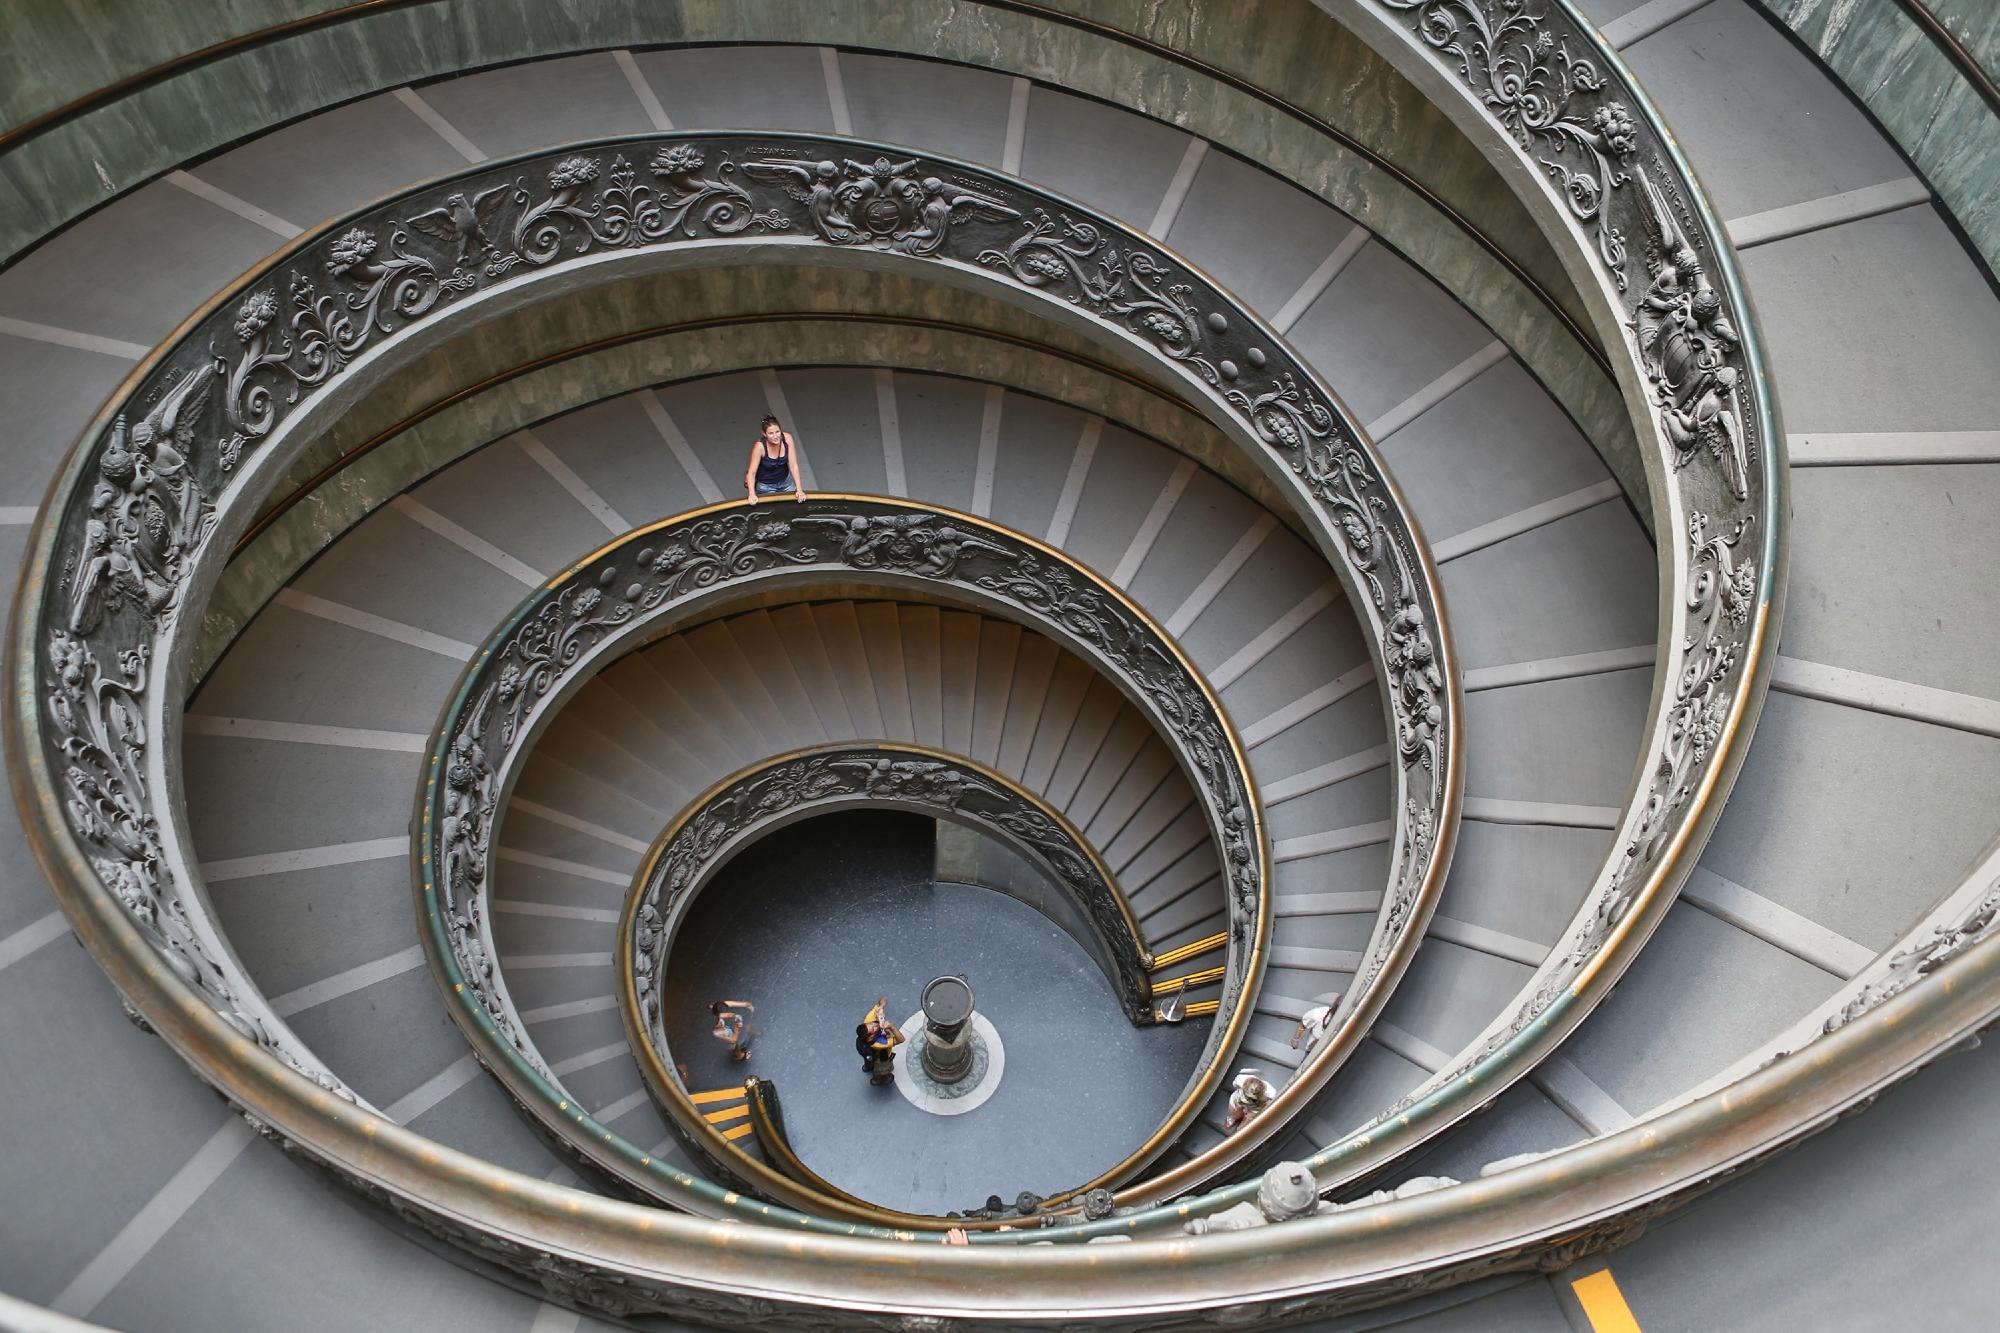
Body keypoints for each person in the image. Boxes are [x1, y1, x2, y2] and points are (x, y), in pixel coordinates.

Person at [744, 413, 808, 502]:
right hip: (765, 486)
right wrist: (752, 494)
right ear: (764, 434)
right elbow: (752, 472)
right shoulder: (760, 446)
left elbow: (793, 466)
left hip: (785, 482)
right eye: (770, 433)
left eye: (777, 432)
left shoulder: (787, 438)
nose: (775, 436)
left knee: (792, 508)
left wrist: (799, 490)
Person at [858, 997, 905, 1085]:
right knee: (880, 1070)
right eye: (874, 1029)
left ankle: (867, 1067)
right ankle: (877, 1080)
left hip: (868, 1052)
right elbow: (901, 1040)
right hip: (881, 1056)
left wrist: (881, 1006)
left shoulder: (869, 1020)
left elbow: (883, 999)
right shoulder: (880, 1043)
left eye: (872, 1024)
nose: (876, 1025)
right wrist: (892, 1027)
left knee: (868, 1060)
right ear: (871, 1037)